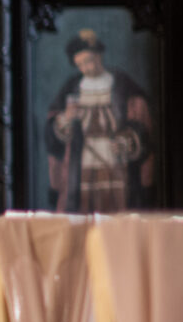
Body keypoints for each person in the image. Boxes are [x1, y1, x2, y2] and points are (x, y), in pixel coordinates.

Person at [44, 28, 153, 212]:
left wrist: (126, 141)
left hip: (116, 162)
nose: (86, 67)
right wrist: (66, 119)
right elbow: (53, 135)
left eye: (89, 61)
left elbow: (141, 124)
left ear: (99, 56)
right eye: (80, 64)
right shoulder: (72, 88)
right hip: (82, 165)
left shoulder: (122, 84)